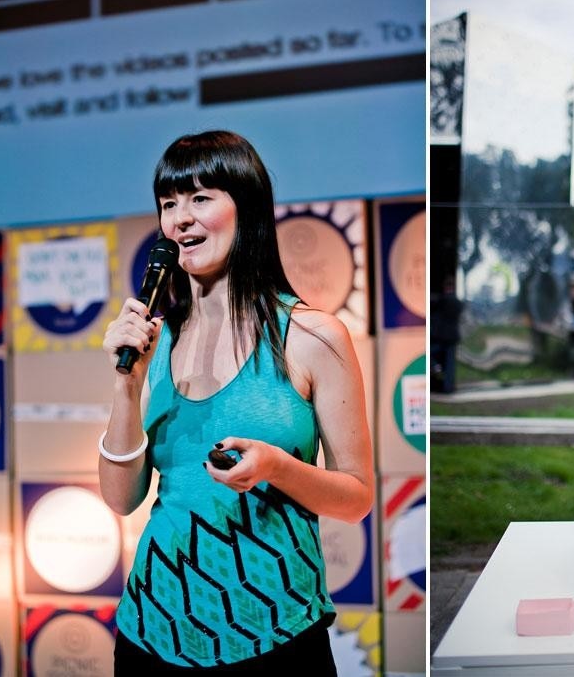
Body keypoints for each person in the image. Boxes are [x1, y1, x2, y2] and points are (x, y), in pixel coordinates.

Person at [99, 130, 373, 674]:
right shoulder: (157, 338)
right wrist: (126, 388)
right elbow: (119, 498)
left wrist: (276, 466)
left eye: (201, 198)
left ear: (245, 208)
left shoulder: (311, 335)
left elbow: (356, 497)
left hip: (275, 631)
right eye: (169, 204)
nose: (180, 219)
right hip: (153, 629)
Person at [430, 273, 464, 393]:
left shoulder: (442, 300)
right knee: (450, 365)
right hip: (452, 336)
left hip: (440, 336)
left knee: (430, 353)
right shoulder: (458, 303)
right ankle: (447, 388)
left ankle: (435, 367)